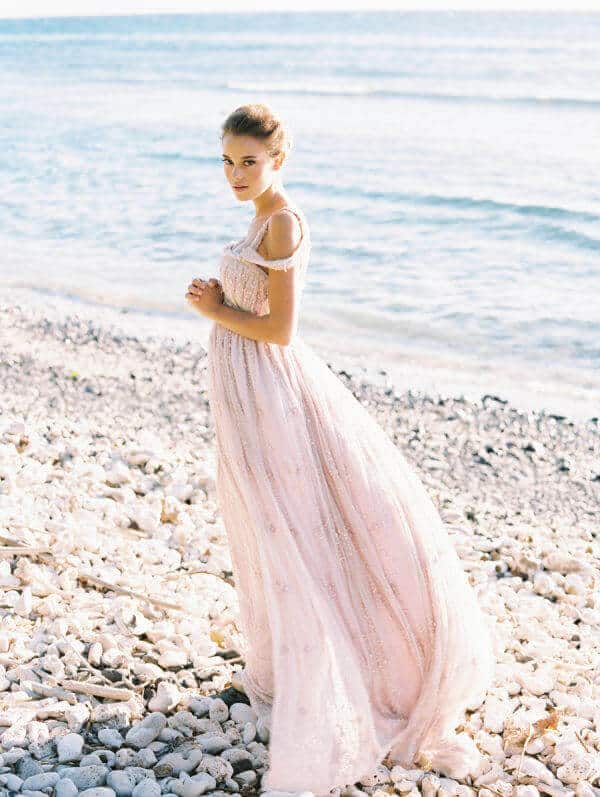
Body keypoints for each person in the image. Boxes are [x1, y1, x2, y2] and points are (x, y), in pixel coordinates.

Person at [185, 103, 496, 796]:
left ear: (278, 160)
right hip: (249, 393)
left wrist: (213, 311)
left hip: (273, 389)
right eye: (228, 160)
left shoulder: (284, 220)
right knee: (275, 528)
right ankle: (301, 660)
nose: (236, 173)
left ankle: (370, 669)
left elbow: (282, 329)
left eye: (249, 161)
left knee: (307, 526)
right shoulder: (259, 214)